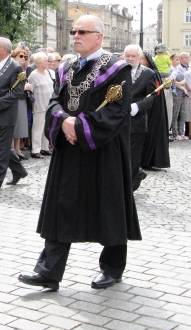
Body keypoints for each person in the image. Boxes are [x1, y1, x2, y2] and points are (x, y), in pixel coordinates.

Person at [18, 15, 140, 291]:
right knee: (61, 206)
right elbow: (54, 101)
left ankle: (112, 268)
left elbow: (116, 111)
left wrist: (80, 125)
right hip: (69, 148)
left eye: (82, 31)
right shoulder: (67, 67)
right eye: (73, 31)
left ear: (99, 36)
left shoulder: (117, 68)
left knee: (108, 207)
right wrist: (63, 120)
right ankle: (49, 271)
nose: (75, 35)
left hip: (103, 150)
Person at [0, 37, 29, 192]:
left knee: (1, 150)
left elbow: (17, 91)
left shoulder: (15, 67)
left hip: (5, 113)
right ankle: (19, 171)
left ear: (4, 49)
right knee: (4, 147)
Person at [123, 45, 156, 191]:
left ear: (140, 58)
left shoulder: (148, 73)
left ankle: (130, 185)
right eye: (127, 56)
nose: (130, 59)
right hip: (118, 120)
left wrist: (137, 107)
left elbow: (154, 96)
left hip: (137, 121)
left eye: (133, 56)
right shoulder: (118, 71)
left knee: (133, 156)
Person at [139, 50, 171, 170]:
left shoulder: (153, 73)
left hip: (152, 109)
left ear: (147, 61)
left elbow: (155, 92)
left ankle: (149, 160)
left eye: (141, 58)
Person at [28, 52, 54, 158]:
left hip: (49, 104)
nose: (48, 62)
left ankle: (45, 148)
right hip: (39, 104)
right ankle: (35, 149)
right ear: (39, 63)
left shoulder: (48, 72)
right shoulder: (33, 75)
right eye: (46, 61)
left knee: (47, 127)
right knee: (38, 128)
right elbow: (30, 91)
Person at [11, 47, 31, 160]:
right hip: (14, 99)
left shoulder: (22, 69)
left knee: (21, 124)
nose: (24, 58)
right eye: (21, 56)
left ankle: (17, 148)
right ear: (14, 57)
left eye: (25, 56)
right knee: (15, 124)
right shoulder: (12, 68)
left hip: (22, 98)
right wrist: (24, 87)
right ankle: (12, 149)